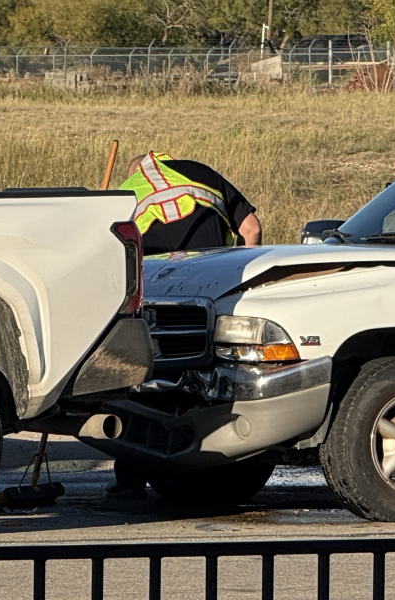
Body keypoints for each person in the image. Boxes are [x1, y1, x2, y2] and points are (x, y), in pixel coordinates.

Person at [104, 153, 261, 500]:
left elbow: (112, 258)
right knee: (211, 373)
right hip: (212, 287)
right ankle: (217, 458)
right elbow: (251, 229)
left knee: (137, 378)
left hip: (157, 291)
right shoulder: (203, 174)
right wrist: (244, 285)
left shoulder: (127, 192)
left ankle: (129, 477)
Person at [120, 152, 261, 255]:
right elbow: (252, 229)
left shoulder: (125, 190)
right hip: (209, 263)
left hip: (155, 271)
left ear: (134, 173)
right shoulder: (201, 171)